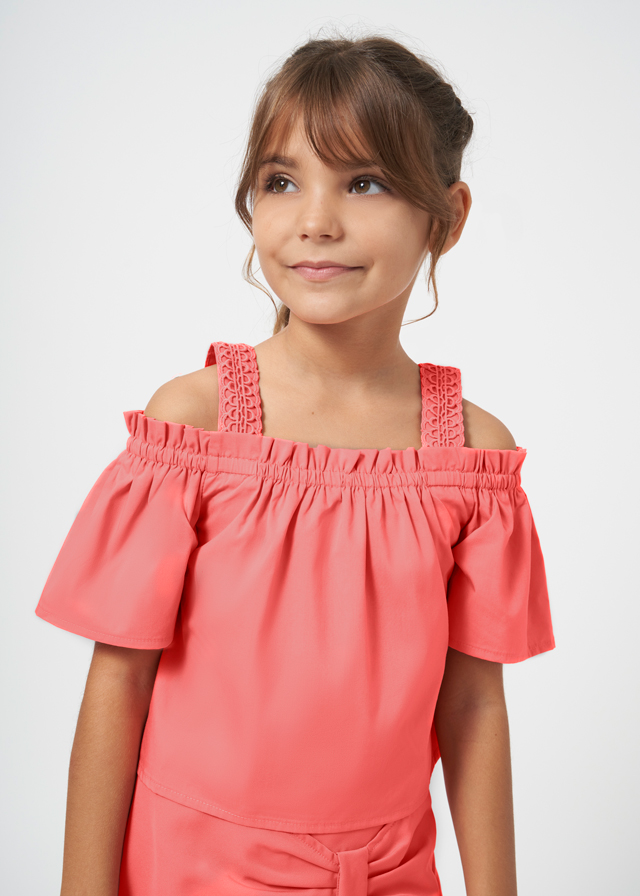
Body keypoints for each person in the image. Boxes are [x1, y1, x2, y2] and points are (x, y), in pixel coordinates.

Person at [36, 32, 556, 896]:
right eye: (282, 181)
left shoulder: (472, 456)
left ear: (448, 216)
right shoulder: (195, 426)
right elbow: (116, 688)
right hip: (191, 871)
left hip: (387, 872)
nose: (315, 219)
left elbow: (472, 705)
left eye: (365, 181)